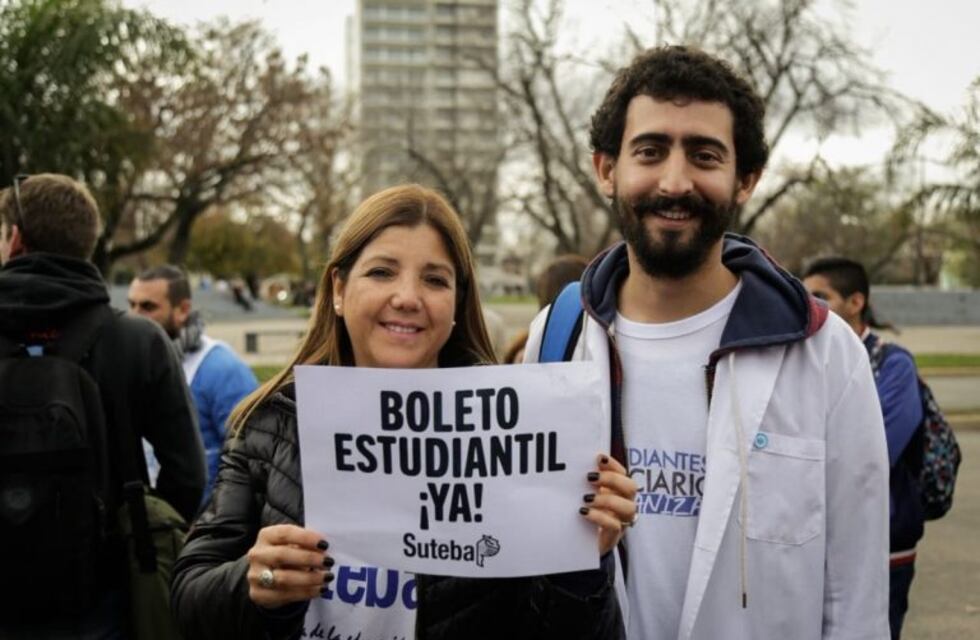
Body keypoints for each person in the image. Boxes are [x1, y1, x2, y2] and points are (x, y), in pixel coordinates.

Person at [522, 46, 890, 639]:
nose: (674, 181)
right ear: (606, 169)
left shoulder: (825, 354)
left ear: (745, 179)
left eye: (704, 155)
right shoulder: (556, 337)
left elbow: (857, 600)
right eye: (649, 151)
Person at [171, 184, 635, 640]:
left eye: (435, 279)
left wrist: (582, 562)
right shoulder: (269, 423)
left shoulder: (516, 435)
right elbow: (189, 599)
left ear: (456, 303)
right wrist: (256, 584)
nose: (408, 297)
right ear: (338, 288)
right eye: (382, 272)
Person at [0, 173, 205, 637]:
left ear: (15, 240)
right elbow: (188, 473)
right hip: (103, 596)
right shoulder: (137, 339)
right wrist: (138, 538)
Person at [803, 257, 923, 639]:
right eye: (805, 295)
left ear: (856, 302)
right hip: (812, 542)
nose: (810, 304)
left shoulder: (893, 364)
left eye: (821, 295)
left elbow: (872, 454)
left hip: (884, 545)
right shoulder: (802, 357)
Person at [129, 264, 258, 501]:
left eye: (148, 307)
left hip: (204, 529)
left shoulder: (222, 369)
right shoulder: (134, 365)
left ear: (182, 310)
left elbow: (253, 461)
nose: (135, 315)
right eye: (132, 305)